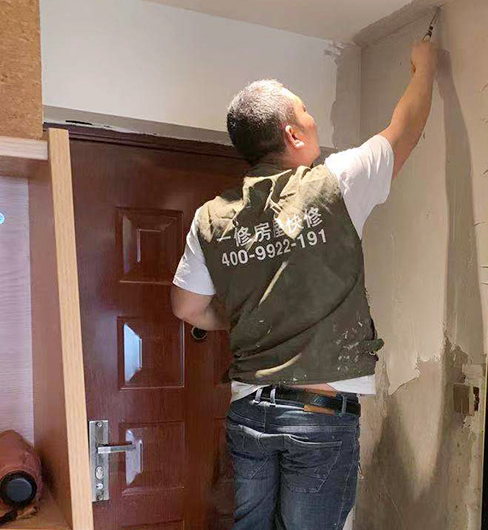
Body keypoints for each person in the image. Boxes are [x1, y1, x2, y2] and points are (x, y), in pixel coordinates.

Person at [170, 40, 437, 529]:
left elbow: (187, 307)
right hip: (318, 417)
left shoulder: (212, 216)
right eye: (307, 112)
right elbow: (406, 130)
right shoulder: (336, 182)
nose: (314, 120)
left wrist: (247, 316)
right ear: (293, 134)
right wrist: (426, 66)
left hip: (249, 410)